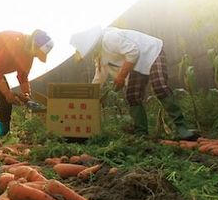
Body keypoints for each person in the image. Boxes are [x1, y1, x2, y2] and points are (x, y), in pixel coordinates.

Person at [70, 26, 198, 140]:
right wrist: (88, 98)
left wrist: (121, 76)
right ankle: (141, 133)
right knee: (132, 95)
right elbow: (99, 78)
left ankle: (182, 128)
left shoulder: (110, 38)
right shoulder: (99, 55)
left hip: (151, 53)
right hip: (136, 64)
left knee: (160, 87)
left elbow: (133, 52)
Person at [0, 29, 54, 143]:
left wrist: (26, 95)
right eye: (36, 52)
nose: (35, 55)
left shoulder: (29, 55)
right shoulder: (15, 42)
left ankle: (4, 134)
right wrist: (7, 93)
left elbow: (23, 76)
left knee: (5, 100)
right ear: (33, 44)